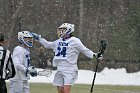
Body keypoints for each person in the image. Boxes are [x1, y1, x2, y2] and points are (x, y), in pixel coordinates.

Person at [32, 23, 102, 93]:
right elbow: (47, 45)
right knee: (60, 91)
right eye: (60, 30)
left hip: (70, 68)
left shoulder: (75, 41)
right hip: (60, 68)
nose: (60, 32)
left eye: (63, 30)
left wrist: (94, 56)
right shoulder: (58, 41)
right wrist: (39, 38)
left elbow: (85, 50)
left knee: (66, 90)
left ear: (69, 30)